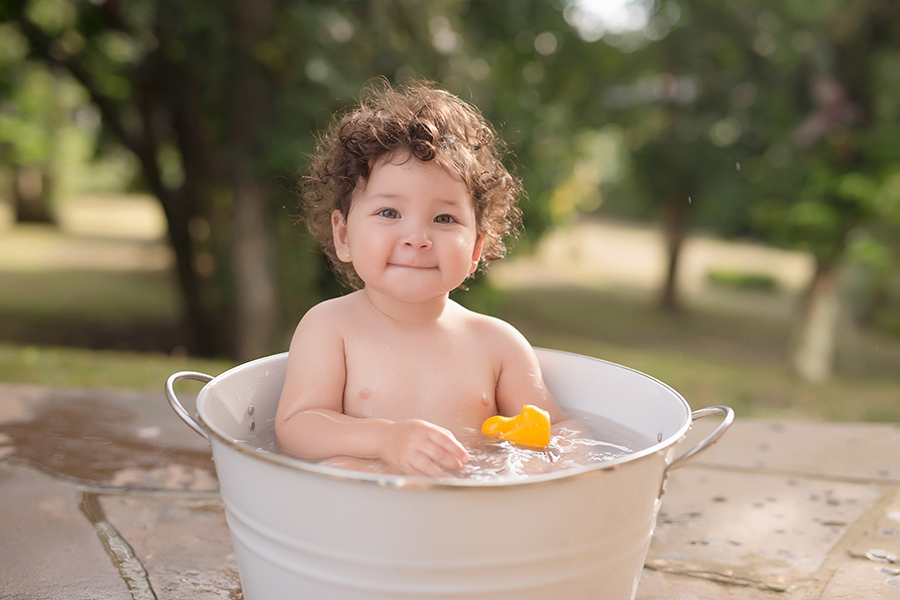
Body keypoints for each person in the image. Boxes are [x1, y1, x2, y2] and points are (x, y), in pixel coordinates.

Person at [275, 80, 564, 478]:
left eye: (444, 219)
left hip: (471, 520)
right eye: (389, 213)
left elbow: (555, 431)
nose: (417, 238)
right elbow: (296, 425)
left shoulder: (499, 345)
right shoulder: (331, 328)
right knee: (340, 466)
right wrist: (383, 439)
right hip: (361, 520)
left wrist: (544, 463)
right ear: (343, 235)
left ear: (476, 248)